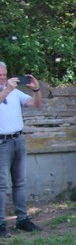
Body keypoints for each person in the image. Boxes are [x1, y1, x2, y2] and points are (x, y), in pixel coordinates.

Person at [0, 63, 43, 235]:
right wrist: (7, 89)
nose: (2, 78)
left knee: (19, 182)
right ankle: (1, 223)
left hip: (18, 140)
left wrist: (36, 89)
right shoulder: (9, 90)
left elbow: (36, 104)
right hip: (1, 143)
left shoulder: (14, 92)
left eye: (4, 75)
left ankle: (22, 219)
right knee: (2, 185)